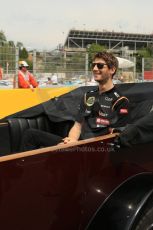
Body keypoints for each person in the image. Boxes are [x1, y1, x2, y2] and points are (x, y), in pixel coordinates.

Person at [21, 51, 129, 151]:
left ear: (112, 70)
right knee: (30, 135)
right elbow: (77, 126)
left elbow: (114, 137)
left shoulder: (120, 101)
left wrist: (79, 145)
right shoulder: (88, 95)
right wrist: (70, 141)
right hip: (76, 146)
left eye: (100, 65)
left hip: (94, 150)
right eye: (93, 65)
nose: (95, 68)